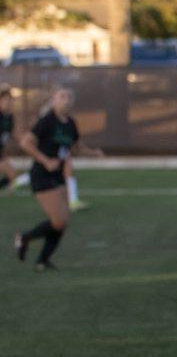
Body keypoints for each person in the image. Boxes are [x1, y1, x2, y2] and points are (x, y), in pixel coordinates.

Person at [13, 88, 102, 270]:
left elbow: (75, 146)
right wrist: (45, 161)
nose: (66, 100)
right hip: (41, 175)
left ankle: (42, 261)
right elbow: (25, 143)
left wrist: (93, 153)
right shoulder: (47, 121)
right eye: (62, 97)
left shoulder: (70, 123)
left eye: (69, 97)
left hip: (58, 175)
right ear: (54, 100)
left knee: (62, 222)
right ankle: (24, 238)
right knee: (59, 220)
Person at [0, 85, 29, 194]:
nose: (8, 103)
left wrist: (24, 141)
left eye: (9, 100)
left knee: (11, 175)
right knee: (11, 174)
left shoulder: (9, 117)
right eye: (5, 100)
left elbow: (13, 133)